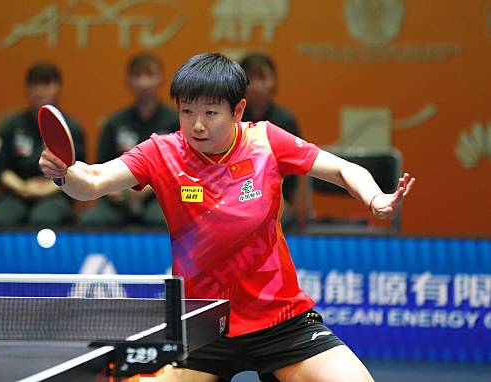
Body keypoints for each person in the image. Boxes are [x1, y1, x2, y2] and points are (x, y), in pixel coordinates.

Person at [39, 53, 415, 381]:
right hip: (204, 323)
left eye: (209, 112)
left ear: (238, 110)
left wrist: (374, 197)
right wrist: (63, 173)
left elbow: (341, 170)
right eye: (187, 111)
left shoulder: (265, 142)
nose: (197, 125)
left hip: (278, 318)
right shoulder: (162, 152)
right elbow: (92, 181)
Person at [77, 53, 178, 228]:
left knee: (162, 219)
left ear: (161, 79)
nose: (144, 82)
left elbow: (181, 168)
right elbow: (101, 165)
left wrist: (148, 190)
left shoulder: (175, 120)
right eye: (138, 76)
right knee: (90, 219)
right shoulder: (115, 122)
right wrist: (118, 191)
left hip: (159, 197)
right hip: (118, 196)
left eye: (150, 75)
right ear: (128, 81)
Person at [0, 62, 85, 228]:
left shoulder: (71, 127)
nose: (40, 91)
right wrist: (22, 187)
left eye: (46, 84)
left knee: (43, 219)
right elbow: (1, 168)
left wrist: (46, 188)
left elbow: (79, 170)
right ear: (27, 90)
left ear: (58, 88)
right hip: (17, 192)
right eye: (35, 85)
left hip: (57, 193)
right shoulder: (11, 125)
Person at [240, 52, 302, 231]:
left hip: (278, 196)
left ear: (273, 82)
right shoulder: (233, 118)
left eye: (263, 78)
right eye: (251, 78)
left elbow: (298, 169)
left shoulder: (285, 119)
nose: (257, 86)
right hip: (236, 193)